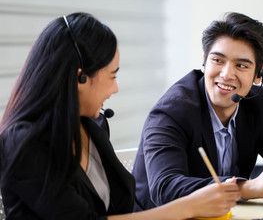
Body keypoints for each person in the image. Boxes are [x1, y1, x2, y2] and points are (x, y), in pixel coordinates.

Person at [0, 12, 242, 219]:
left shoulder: (91, 125)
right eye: (112, 75)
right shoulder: (24, 143)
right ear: (80, 77)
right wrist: (188, 206)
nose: (115, 88)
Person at [132, 12, 263, 211]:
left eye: (241, 65)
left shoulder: (258, 103)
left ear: (259, 74)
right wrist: (245, 187)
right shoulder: (173, 110)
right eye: (218, 60)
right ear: (204, 61)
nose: (227, 74)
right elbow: (165, 189)